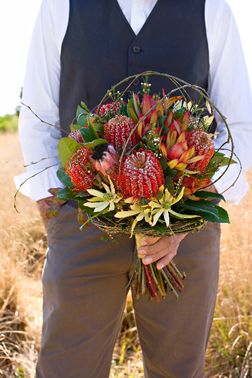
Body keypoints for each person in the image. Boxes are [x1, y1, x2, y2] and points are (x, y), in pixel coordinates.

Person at [15, 0, 252, 377]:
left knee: (179, 369)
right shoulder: (60, 6)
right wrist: (55, 208)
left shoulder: (211, 10)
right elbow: (36, 115)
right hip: (82, 224)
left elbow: (238, 127)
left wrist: (184, 218)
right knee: (67, 367)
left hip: (186, 235)